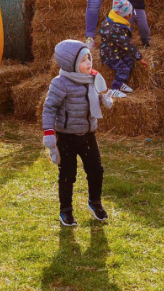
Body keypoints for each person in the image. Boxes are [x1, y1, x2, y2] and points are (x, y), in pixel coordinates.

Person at [42, 40, 113, 227]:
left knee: (96, 170)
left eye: (89, 58)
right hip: (67, 137)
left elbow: (96, 92)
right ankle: (65, 211)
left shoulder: (91, 78)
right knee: (67, 174)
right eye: (83, 60)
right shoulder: (60, 84)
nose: (88, 63)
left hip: (88, 135)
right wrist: (49, 134)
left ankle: (94, 203)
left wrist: (103, 97)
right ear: (71, 64)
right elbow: (49, 108)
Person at [98, 0, 148, 98]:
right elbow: (127, 46)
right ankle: (114, 89)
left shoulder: (113, 21)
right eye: (130, 14)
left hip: (116, 51)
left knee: (129, 60)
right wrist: (140, 58)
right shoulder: (115, 29)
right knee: (123, 68)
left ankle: (121, 83)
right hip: (109, 55)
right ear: (126, 16)